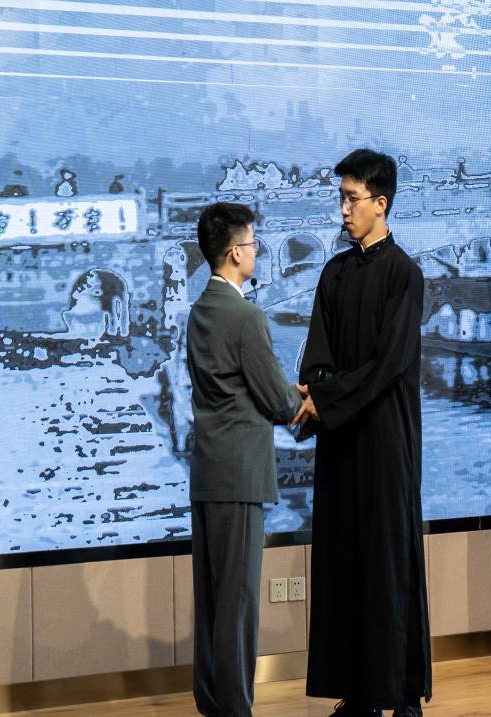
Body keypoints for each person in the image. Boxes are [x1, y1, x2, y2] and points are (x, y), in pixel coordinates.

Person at [292, 149, 431, 716]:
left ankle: (402, 692)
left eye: (353, 199)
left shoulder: (405, 275)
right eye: (342, 199)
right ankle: (357, 693)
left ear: (382, 202)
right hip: (341, 442)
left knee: (389, 561)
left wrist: (326, 400)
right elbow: (316, 356)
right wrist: (317, 392)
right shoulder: (334, 272)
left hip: (387, 440)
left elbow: (389, 363)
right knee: (343, 560)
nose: (344, 209)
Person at [186, 202, 303, 717]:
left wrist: (283, 392)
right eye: (253, 244)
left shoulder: (200, 312)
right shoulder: (246, 316)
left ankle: (213, 701)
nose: (257, 252)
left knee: (213, 600)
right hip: (240, 477)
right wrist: (301, 399)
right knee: (238, 601)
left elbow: (233, 386)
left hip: (209, 471)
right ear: (235, 253)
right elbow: (276, 398)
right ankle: (236, 708)